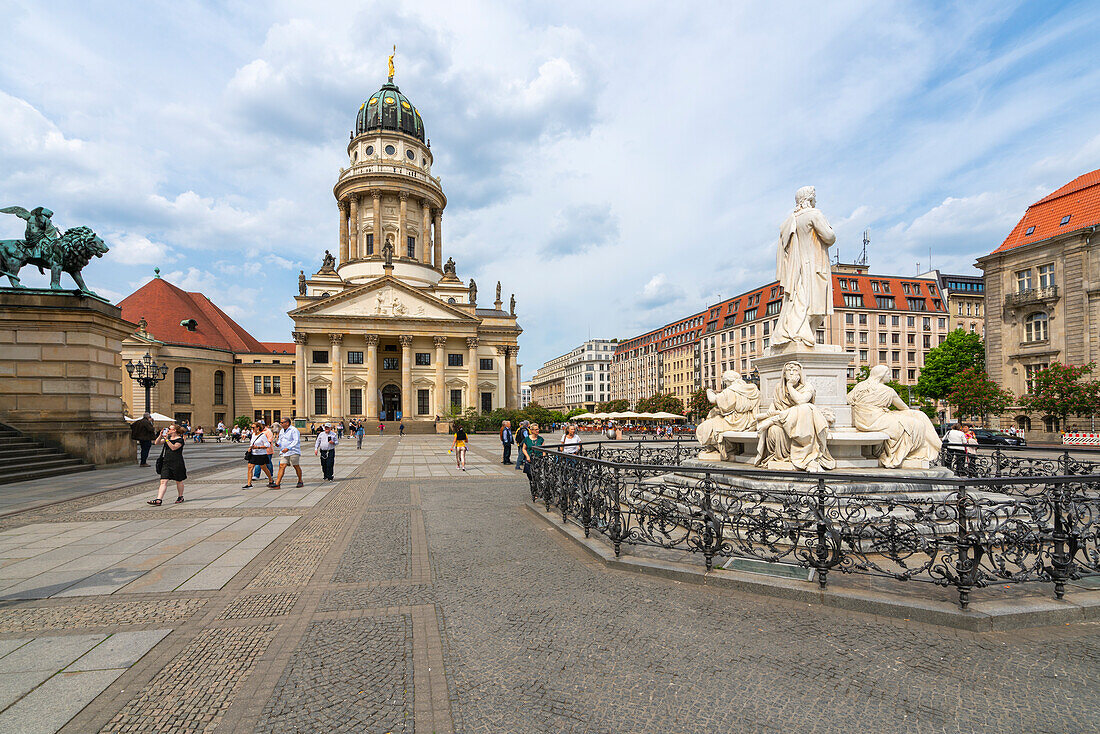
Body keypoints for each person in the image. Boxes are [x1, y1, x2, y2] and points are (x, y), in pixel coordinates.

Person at [148, 423, 186, 505]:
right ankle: (159, 499)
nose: (168, 430)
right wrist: (160, 436)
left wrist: (167, 440)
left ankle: (180, 496)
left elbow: (173, 448)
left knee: (178, 480)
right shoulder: (167, 438)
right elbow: (156, 443)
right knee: (163, 481)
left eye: (169, 429)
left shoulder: (180, 440)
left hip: (177, 462)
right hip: (166, 462)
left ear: (174, 430)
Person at [273, 417, 304, 488]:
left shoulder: (294, 430)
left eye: (282, 423)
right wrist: (278, 443)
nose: (281, 424)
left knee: (296, 466)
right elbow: (281, 439)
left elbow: (296, 441)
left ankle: (300, 480)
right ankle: (277, 483)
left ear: (287, 423)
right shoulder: (282, 431)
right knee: (282, 466)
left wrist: (288, 448)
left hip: (293, 451)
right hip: (284, 452)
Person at [243, 422, 274, 488]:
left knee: (264, 468)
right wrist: (250, 448)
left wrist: (258, 447)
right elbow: (252, 443)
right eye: (251, 427)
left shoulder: (262, 435)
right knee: (250, 468)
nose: (252, 429)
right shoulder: (253, 435)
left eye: (253, 427)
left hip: (261, 454)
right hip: (253, 454)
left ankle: (271, 480)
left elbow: (267, 445)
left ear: (258, 428)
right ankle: (249, 484)